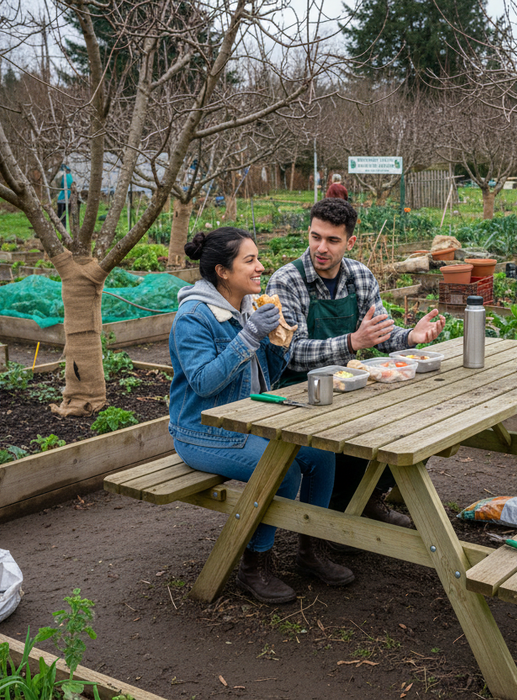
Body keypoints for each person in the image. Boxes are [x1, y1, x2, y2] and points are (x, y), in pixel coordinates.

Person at [168, 227, 354, 604]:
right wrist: (250, 336)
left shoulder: (248, 307)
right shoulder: (194, 318)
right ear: (223, 271)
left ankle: (310, 550)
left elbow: (262, 376)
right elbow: (204, 383)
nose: (260, 268)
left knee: (320, 456)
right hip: (201, 432)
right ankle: (254, 565)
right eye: (249, 261)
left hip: (251, 420)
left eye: (258, 258)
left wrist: (280, 340)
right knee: (282, 470)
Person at [266, 198, 446, 532]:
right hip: (295, 391)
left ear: (349, 242)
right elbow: (290, 352)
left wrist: (411, 338)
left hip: (349, 384)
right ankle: (333, 518)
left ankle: (367, 499)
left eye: (332, 240)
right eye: (315, 236)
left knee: (418, 421)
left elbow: (379, 335)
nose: (321, 247)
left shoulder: (359, 276)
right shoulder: (287, 281)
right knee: (350, 434)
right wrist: (351, 342)